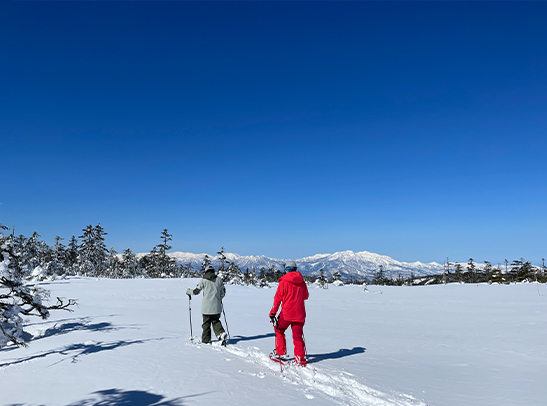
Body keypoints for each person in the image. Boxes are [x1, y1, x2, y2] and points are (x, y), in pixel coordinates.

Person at [269, 260, 309, 366]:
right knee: (298, 336)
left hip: (287, 314)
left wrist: (272, 312)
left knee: (279, 329)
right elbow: (306, 296)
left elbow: (277, 299)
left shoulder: (283, 282)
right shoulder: (302, 282)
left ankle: (280, 352)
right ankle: (300, 358)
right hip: (300, 314)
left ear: (286, 269)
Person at [187, 265, 228, 345]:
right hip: (217, 307)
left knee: (206, 324)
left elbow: (196, 291)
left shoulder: (203, 280)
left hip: (206, 307)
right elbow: (223, 292)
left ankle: (206, 340)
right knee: (216, 321)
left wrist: (189, 292)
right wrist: (219, 298)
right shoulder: (219, 280)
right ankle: (220, 334)